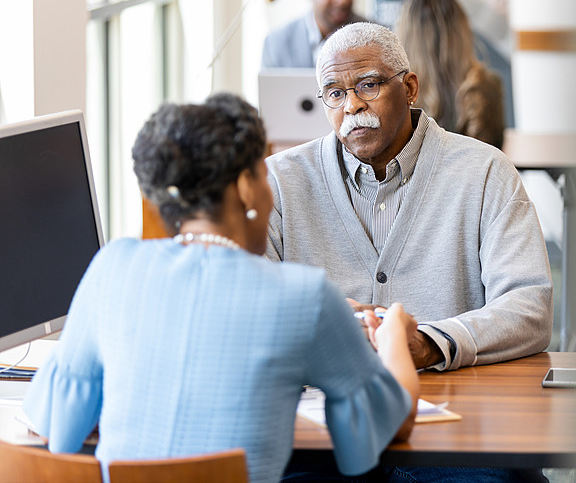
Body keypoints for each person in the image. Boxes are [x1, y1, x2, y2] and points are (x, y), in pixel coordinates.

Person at [23, 93, 419, 483]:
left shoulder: (113, 266)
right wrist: (393, 335)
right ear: (247, 186)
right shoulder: (305, 295)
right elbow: (387, 426)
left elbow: (53, 422)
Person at [269, 22, 551, 483]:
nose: (352, 105)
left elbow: (529, 306)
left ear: (410, 87)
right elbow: (251, 308)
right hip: (324, 436)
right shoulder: (279, 182)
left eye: (368, 85)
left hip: (459, 434)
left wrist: (427, 343)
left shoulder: (484, 171)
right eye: (334, 94)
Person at [394, 0, 506, 149]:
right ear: (461, 30)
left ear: (405, 33)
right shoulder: (487, 86)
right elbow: (494, 157)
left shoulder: (395, 91)